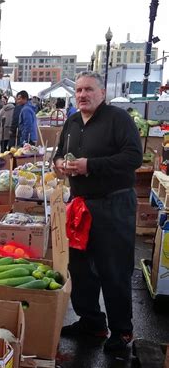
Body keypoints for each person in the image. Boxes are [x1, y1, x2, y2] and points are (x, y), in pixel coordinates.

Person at [54, 71, 143, 353]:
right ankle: (91, 321)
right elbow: (58, 153)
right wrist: (59, 164)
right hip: (80, 204)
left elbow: (133, 158)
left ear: (102, 93)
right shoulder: (71, 122)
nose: (82, 95)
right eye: (79, 90)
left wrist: (89, 165)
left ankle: (122, 331)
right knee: (79, 266)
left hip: (113, 204)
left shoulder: (118, 119)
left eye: (89, 90)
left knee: (113, 269)